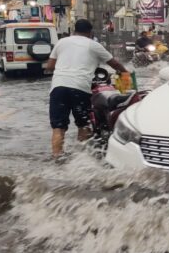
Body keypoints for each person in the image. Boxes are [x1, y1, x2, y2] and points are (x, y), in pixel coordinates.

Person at [46, 19, 129, 157]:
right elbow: (115, 64)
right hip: (80, 88)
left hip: (58, 88)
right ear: (90, 32)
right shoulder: (93, 45)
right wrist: (125, 75)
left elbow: (49, 67)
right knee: (83, 124)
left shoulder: (62, 42)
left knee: (58, 127)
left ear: (74, 30)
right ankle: (82, 157)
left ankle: (57, 157)